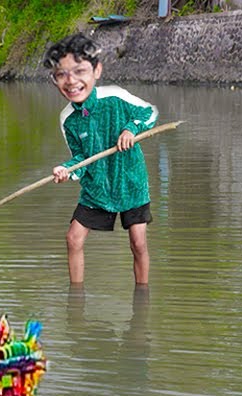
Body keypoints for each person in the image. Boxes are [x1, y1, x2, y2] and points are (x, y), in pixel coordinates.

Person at [45, 33, 157, 286]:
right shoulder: (68, 119)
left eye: (79, 71)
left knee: (138, 243)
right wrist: (66, 170)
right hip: (97, 188)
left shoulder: (115, 96)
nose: (71, 81)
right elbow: (81, 159)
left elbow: (149, 112)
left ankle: (142, 295)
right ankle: (76, 299)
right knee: (73, 238)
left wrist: (131, 129)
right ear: (54, 81)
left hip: (130, 183)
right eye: (61, 74)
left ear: (96, 70)